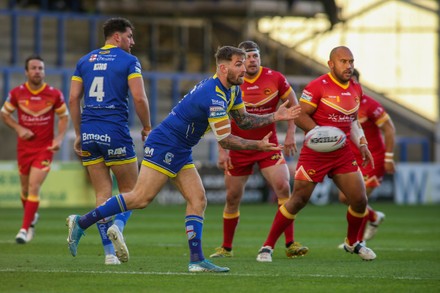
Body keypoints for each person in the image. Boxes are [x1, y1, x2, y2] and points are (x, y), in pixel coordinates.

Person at [66, 45, 301, 273]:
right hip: (166, 143)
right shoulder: (214, 96)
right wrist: (257, 145)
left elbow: (243, 120)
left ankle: (197, 261)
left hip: (181, 147)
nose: (244, 69)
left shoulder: (232, 89)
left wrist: (275, 116)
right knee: (140, 198)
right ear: (222, 68)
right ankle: (81, 222)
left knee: (198, 199)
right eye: (238, 64)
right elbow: (226, 140)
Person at [256, 46, 377, 262]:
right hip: (315, 153)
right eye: (343, 61)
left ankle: (352, 243)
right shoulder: (318, 86)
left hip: (342, 153)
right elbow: (300, 115)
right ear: (331, 64)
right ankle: (267, 247)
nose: (348, 66)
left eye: (351, 61)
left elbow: (353, 119)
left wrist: (362, 143)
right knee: (298, 200)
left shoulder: (356, 88)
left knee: (359, 200)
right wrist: (318, 133)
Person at [209, 41, 308, 261]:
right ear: (241, 62)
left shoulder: (276, 78)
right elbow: (219, 117)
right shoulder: (232, 81)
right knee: (232, 196)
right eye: (247, 57)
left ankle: (290, 243)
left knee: (283, 186)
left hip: (268, 145)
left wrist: (291, 134)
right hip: (238, 147)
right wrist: (222, 149)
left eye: (255, 56)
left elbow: (294, 107)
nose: (252, 60)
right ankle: (226, 247)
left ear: (260, 58)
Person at [68, 17, 151, 265]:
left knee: (102, 193)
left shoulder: (83, 61)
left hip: (90, 132)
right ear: (117, 37)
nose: (132, 42)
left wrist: (79, 133)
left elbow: (73, 99)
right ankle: (118, 225)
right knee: (133, 192)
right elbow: (139, 98)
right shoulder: (129, 61)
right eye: (130, 36)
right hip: (114, 130)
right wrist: (147, 126)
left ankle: (109, 254)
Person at [0, 55, 69, 244]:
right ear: (26, 72)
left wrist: (59, 138)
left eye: (40, 68)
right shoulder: (17, 93)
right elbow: (4, 114)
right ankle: (31, 218)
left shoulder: (54, 94)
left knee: (33, 186)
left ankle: (24, 229)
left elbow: (64, 117)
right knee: (24, 188)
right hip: (24, 148)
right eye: (34, 68)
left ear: (44, 71)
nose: (37, 71)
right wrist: (19, 128)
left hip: (44, 148)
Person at [338, 69, 395, 243]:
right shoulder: (339, 103)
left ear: (358, 84)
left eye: (352, 83)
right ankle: (374, 216)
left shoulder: (370, 105)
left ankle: (356, 242)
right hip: (353, 159)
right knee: (344, 198)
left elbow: (389, 128)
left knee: (358, 199)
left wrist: (389, 158)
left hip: (373, 158)